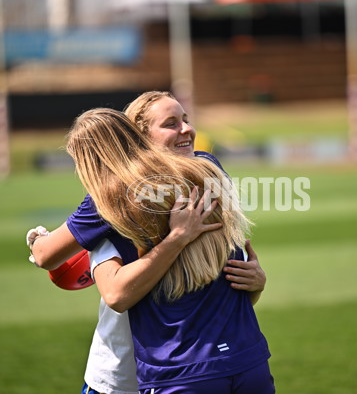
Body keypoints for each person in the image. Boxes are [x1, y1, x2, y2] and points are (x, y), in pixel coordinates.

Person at [26, 92, 268, 394]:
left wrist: (36, 237)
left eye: (185, 120)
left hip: (155, 369)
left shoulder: (111, 201)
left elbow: (51, 258)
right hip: (235, 357)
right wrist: (255, 283)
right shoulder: (209, 168)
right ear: (138, 137)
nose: (186, 130)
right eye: (171, 124)